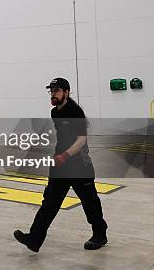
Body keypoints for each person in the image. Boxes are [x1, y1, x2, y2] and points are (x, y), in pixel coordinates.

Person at [14, 77, 107, 252]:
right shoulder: (55, 112)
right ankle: (34, 239)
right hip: (61, 165)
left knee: (89, 202)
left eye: (56, 91)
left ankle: (100, 234)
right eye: (51, 91)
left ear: (66, 92)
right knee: (50, 202)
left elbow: (81, 140)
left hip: (79, 164)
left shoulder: (75, 111)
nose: (53, 94)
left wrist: (65, 155)